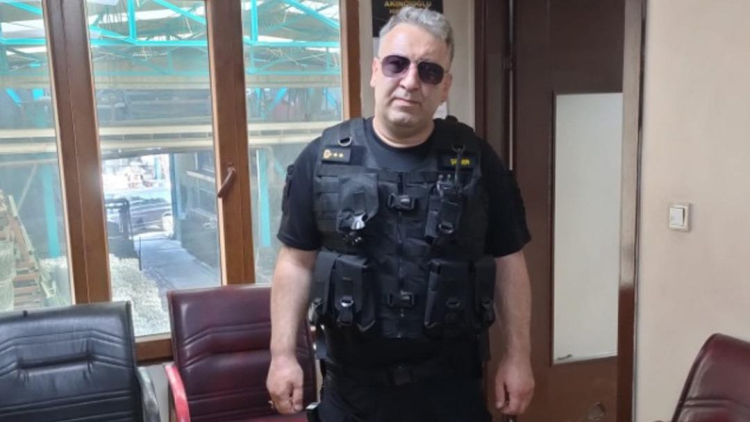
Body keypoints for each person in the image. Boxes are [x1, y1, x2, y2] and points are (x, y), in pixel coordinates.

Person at [266, 6, 534, 422]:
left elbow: (508, 260)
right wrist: (282, 354)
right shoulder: (321, 160)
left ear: (445, 87)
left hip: (452, 394)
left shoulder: (479, 162)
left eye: (429, 71)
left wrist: (518, 356)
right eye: (397, 64)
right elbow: (295, 262)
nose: (410, 82)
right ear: (376, 71)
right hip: (352, 395)